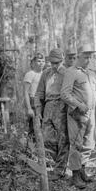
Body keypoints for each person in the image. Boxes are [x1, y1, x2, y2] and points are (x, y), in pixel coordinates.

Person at [61, 44, 96, 189]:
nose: (88, 60)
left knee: (89, 143)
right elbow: (64, 94)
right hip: (77, 113)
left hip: (91, 113)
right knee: (76, 144)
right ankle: (75, 175)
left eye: (90, 57)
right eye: (85, 57)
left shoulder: (90, 73)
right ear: (78, 56)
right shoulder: (71, 72)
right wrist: (79, 104)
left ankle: (83, 170)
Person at [34, 48, 69, 181]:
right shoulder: (46, 73)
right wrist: (38, 110)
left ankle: (59, 170)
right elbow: (39, 93)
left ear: (62, 60)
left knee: (63, 140)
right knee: (47, 139)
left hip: (62, 106)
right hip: (48, 106)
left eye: (57, 63)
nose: (55, 65)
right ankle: (58, 164)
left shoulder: (67, 73)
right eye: (52, 63)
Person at [23, 53, 45, 140]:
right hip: (33, 102)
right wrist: (29, 108)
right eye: (39, 61)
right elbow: (26, 92)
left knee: (43, 127)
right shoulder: (30, 74)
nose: (41, 63)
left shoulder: (44, 74)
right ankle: (30, 151)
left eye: (43, 61)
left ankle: (41, 150)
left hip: (43, 101)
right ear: (33, 63)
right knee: (34, 127)